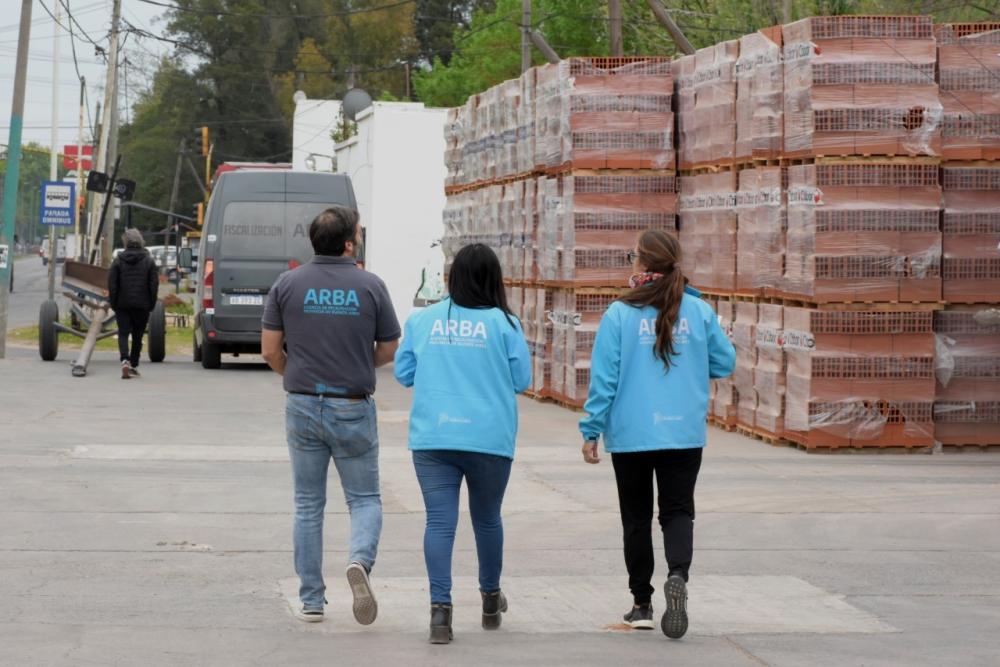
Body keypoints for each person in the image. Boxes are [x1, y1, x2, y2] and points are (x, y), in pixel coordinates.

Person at [579, 230, 735, 639]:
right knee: (678, 511)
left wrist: (591, 429)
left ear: (642, 264)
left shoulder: (619, 314)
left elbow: (605, 381)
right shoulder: (698, 310)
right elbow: (725, 361)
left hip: (632, 434)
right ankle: (678, 576)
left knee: (636, 518)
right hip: (683, 432)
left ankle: (642, 603)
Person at [261, 206, 400, 626]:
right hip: (353, 403)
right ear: (348, 243)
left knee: (307, 504)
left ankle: (312, 600)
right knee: (364, 498)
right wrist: (357, 364)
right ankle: (359, 561)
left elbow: (269, 350)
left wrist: (298, 374)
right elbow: (389, 348)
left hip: (302, 402)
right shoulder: (371, 285)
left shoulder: (287, 284)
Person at [393, 243, 531, 644]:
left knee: (440, 522)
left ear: (452, 278)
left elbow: (403, 373)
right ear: (494, 279)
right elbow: (521, 381)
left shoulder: (424, 321)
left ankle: (440, 611)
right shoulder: (506, 324)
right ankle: (490, 598)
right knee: (487, 519)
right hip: (489, 438)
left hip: (434, 437)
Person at [108, 229, 159, 379]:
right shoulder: (149, 261)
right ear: (140, 241)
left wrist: (114, 303)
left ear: (126, 242)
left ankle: (124, 360)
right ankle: (134, 365)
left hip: (122, 304)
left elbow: (112, 284)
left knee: (123, 333)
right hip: (142, 305)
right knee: (137, 335)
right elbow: (153, 285)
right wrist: (151, 303)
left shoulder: (118, 260)